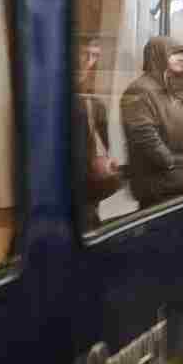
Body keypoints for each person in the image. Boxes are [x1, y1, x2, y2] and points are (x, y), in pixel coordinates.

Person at [121, 36, 183, 210]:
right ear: (157, 55)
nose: (182, 58)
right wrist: (169, 162)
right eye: (175, 53)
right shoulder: (140, 90)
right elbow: (142, 134)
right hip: (165, 189)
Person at [74, 37, 123, 230]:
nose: (87, 62)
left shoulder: (94, 104)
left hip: (87, 205)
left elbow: (104, 153)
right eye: (83, 53)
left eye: (93, 56)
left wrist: (107, 165)